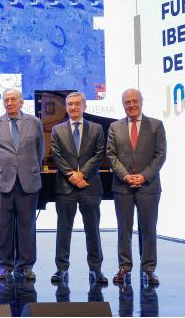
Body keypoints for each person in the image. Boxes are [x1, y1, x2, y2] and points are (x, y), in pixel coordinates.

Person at [107, 88, 166, 285]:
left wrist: (144, 176)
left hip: (148, 186)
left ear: (141, 101)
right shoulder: (114, 127)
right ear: (123, 104)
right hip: (122, 186)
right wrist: (125, 176)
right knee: (124, 229)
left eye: (134, 101)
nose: (131, 105)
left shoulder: (156, 125)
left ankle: (149, 269)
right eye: (127, 102)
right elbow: (111, 155)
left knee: (148, 228)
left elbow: (160, 155)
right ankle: (124, 267)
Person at [49, 92, 108, 285]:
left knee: (93, 230)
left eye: (76, 104)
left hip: (90, 186)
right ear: (66, 107)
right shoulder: (57, 129)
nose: (73, 107)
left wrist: (82, 173)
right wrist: (72, 176)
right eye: (69, 104)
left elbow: (99, 154)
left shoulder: (97, 128)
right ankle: (61, 268)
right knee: (63, 230)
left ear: (84, 107)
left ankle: (96, 269)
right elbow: (56, 156)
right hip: (65, 187)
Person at [0, 88, 45, 281]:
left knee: (27, 226)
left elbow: (40, 151)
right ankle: (5, 265)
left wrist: (26, 168)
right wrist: (6, 167)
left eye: (13, 99)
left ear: (21, 102)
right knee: (3, 226)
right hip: (2, 181)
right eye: (6, 100)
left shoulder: (35, 123)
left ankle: (26, 266)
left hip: (28, 181)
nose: (9, 103)